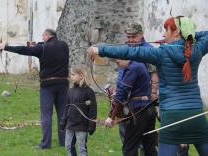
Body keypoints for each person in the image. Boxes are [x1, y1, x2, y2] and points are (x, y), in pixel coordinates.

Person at [88, 16, 208, 156]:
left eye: (166, 31)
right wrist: (188, 36)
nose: (163, 34)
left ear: (176, 33)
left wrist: (99, 49)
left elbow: (129, 52)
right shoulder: (198, 49)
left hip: (172, 115)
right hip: (196, 115)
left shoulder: (161, 53)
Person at [0, 29, 69, 148]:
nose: (42, 38)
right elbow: (47, 45)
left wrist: (5, 47)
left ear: (47, 35)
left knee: (46, 115)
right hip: (63, 84)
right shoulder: (64, 45)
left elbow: (23, 50)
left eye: (43, 36)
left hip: (47, 85)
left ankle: (45, 144)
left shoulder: (42, 48)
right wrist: (37, 44)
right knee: (62, 114)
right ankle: (64, 142)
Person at [115, 23, 157, 156]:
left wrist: (153, 95)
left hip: (142, 103)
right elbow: (122, 73)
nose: (131, 40)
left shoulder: (148, 51)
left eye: (134, 37)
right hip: (125, 100)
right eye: (128, 37)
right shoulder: (126, 49)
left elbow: (154, 75)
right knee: (127, 138)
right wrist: (117, 91)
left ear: (141, 34)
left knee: (144, 143)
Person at [60, 65, 97, 156]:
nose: (71, 76)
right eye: (71, 74)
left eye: (73, 74)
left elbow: (93, 110)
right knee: (68, 146)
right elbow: (67, 107)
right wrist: (63, 122)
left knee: (82, 149)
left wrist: (92, 126)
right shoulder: (70, 91)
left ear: (81, 75)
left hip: (82, 126)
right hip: (70, 124)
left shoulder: (89, 91)